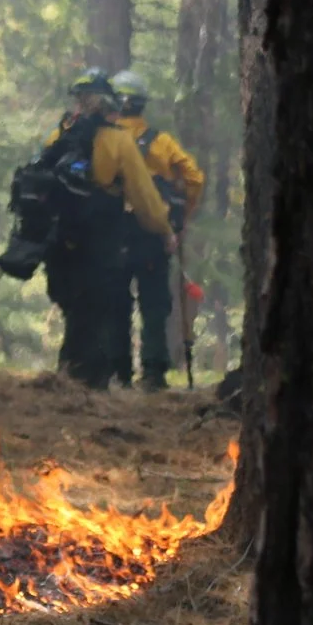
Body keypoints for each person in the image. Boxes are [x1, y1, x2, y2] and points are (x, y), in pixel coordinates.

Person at [41, 70, 172, 388]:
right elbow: (144, 198)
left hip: (61, 240)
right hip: (101, 240)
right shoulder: (118, 141)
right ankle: (92, 380)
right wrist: (164, 229)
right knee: (100, 306)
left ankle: (69, 372)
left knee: (74, 308)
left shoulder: (60, 136)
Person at [109, 72, 205, 389]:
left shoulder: (103, 138)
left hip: (112, 234)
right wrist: (179, 221)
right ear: (141, 104)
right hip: (154, 233)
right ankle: (153, 373)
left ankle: (118, 371)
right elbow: (194, 179)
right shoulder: (161, 143)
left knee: (115, 300)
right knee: (154, 303)